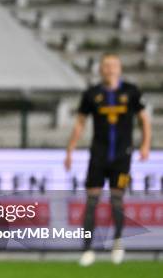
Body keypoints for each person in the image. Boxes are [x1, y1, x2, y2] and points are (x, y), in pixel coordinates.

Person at [65, 53, 151, 267]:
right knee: (92, 201)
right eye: (106, 65)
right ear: (100, 69)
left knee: (117, 201)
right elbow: (80, 123)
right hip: (98, 156)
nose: (110, 69)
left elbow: (143, 119)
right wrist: (70, 150)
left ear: (120, 68)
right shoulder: (92, 94)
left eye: (114, 65)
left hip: (123, 157)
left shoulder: (131, 91)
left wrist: (146, 144)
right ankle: (87, 249)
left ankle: (118, 243)